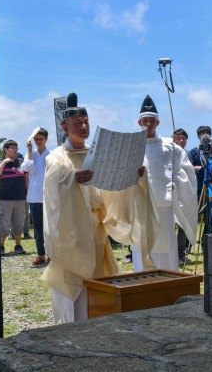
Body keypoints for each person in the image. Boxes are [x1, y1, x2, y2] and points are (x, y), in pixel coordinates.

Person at [41, 97, 154, 323]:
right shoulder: (56, 158)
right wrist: (72, 178)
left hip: (95, 227)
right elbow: (53, 189)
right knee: (73, 286)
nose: (83, 127)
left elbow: (110, 189)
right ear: (65, 127)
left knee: (99, 285)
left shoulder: (96, 153)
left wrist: (133, 176)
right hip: (72, 231)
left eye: (86, 122)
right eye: (77, 123)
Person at [133, 95, 197, 272]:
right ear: (139, 122)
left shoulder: (172, 147)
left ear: (158, 123)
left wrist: (174, 182)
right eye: (145, 121)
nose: (148, 124)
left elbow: (186, 171)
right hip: (141, 209)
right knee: (143, 251)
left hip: (164, 209)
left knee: (166, 254)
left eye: (151, 121)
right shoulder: (132, 146)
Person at [20, 128, 50, 267]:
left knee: (50, 228)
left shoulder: (51, 155)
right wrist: (29, 152)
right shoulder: (31, 154)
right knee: (38, 228)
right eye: (36, 139)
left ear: (46, 139)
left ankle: (51, 254)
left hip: (49, 196)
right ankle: (40, 254)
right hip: (34, 196)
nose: (38, 141)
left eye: (41, 139)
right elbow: (25, 168)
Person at [0, 140, 28, 256]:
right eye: (11, 147)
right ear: (5, 149)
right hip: (5, 199)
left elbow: (26, 177)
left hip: (20, 197)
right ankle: (0, 246)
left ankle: (18, 245)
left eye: (16, 147)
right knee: (3, 224)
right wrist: (5, 162)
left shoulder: (21, 162)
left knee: (19, 223)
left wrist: (27, 192)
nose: (15, 149)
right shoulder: (0, 162)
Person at [172, 128, 190, 264]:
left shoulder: (188, 154)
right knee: (171, 225)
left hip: (184, 194)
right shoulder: (168, 153)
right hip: (171, 194)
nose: (180, 140)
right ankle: (172, 253)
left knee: (183, 225)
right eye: (178, 138)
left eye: (183, 138)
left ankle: (180, 253)